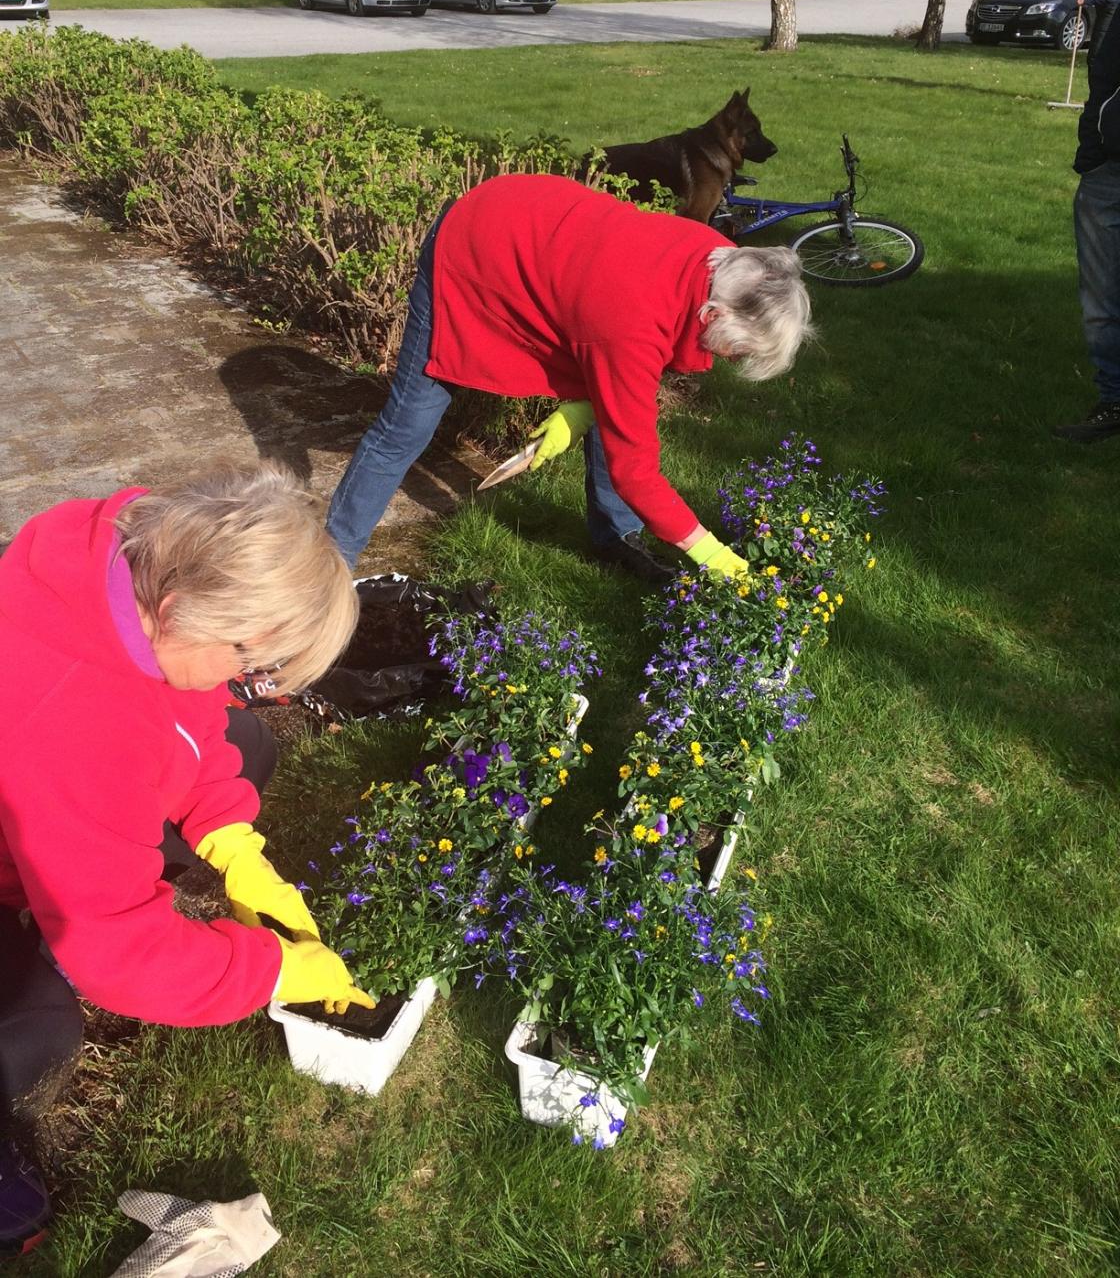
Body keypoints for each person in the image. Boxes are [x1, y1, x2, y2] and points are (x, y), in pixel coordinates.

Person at [0, 462, 368, 1254]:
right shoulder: (77, 725)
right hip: (35, 789)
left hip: (45, 781)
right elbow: (118, 957)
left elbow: (183, 704)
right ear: (183, 610)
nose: (246, 680)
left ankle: (79, 882)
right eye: (246, 661)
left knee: (246, 744)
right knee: (32, 1033)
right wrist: (267, 969)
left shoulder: (128, 545)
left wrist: (233, 840)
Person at [326, 173, 814, 581]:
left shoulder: (722, 258)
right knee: (407, 424)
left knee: (620, 408)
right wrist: (712, 555)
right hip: (472, 250)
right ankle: (331, 564)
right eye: (740, 350)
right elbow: (636, 471)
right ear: (713, 314)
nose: (732, 362)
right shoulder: (632, 323)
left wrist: (580, 411)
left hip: (538, 233)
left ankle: (615, 539)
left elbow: (628, 379)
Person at [1053, 0, 1120, 441]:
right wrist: (1093, 153)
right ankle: (1113, 401)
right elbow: (1105, 76)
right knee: (1100, 301)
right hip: (1108, 172)